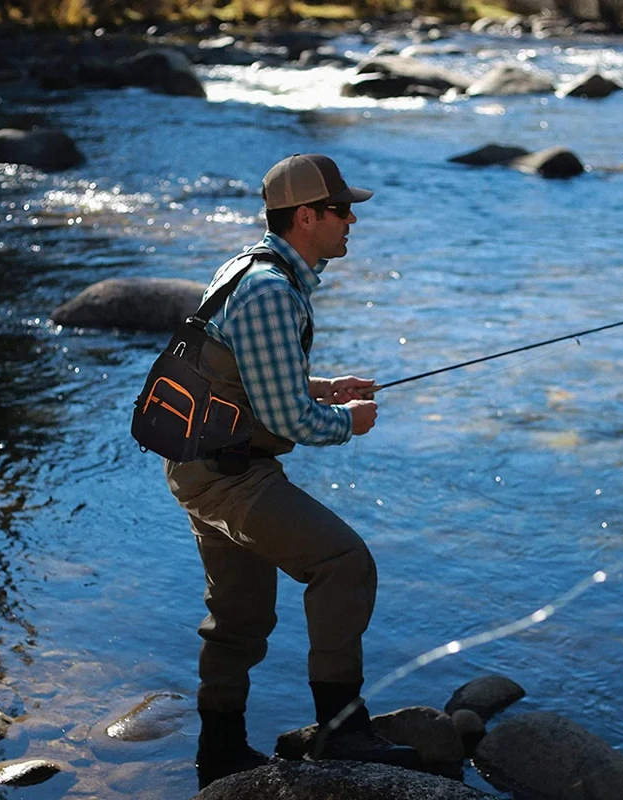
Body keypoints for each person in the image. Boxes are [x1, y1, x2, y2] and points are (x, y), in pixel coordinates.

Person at [164, 154, 420, 787]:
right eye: (341, 209)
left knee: (240, 615)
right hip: (231, 475)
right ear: (307, 216)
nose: (351, 219)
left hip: (201, 465)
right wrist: (347, 420)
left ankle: (219, 751)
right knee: (342, 563)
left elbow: (249, 376)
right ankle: (341, 733)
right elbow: (292, 420)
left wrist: (326, 386)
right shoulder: (273, 290)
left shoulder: (248, 267)